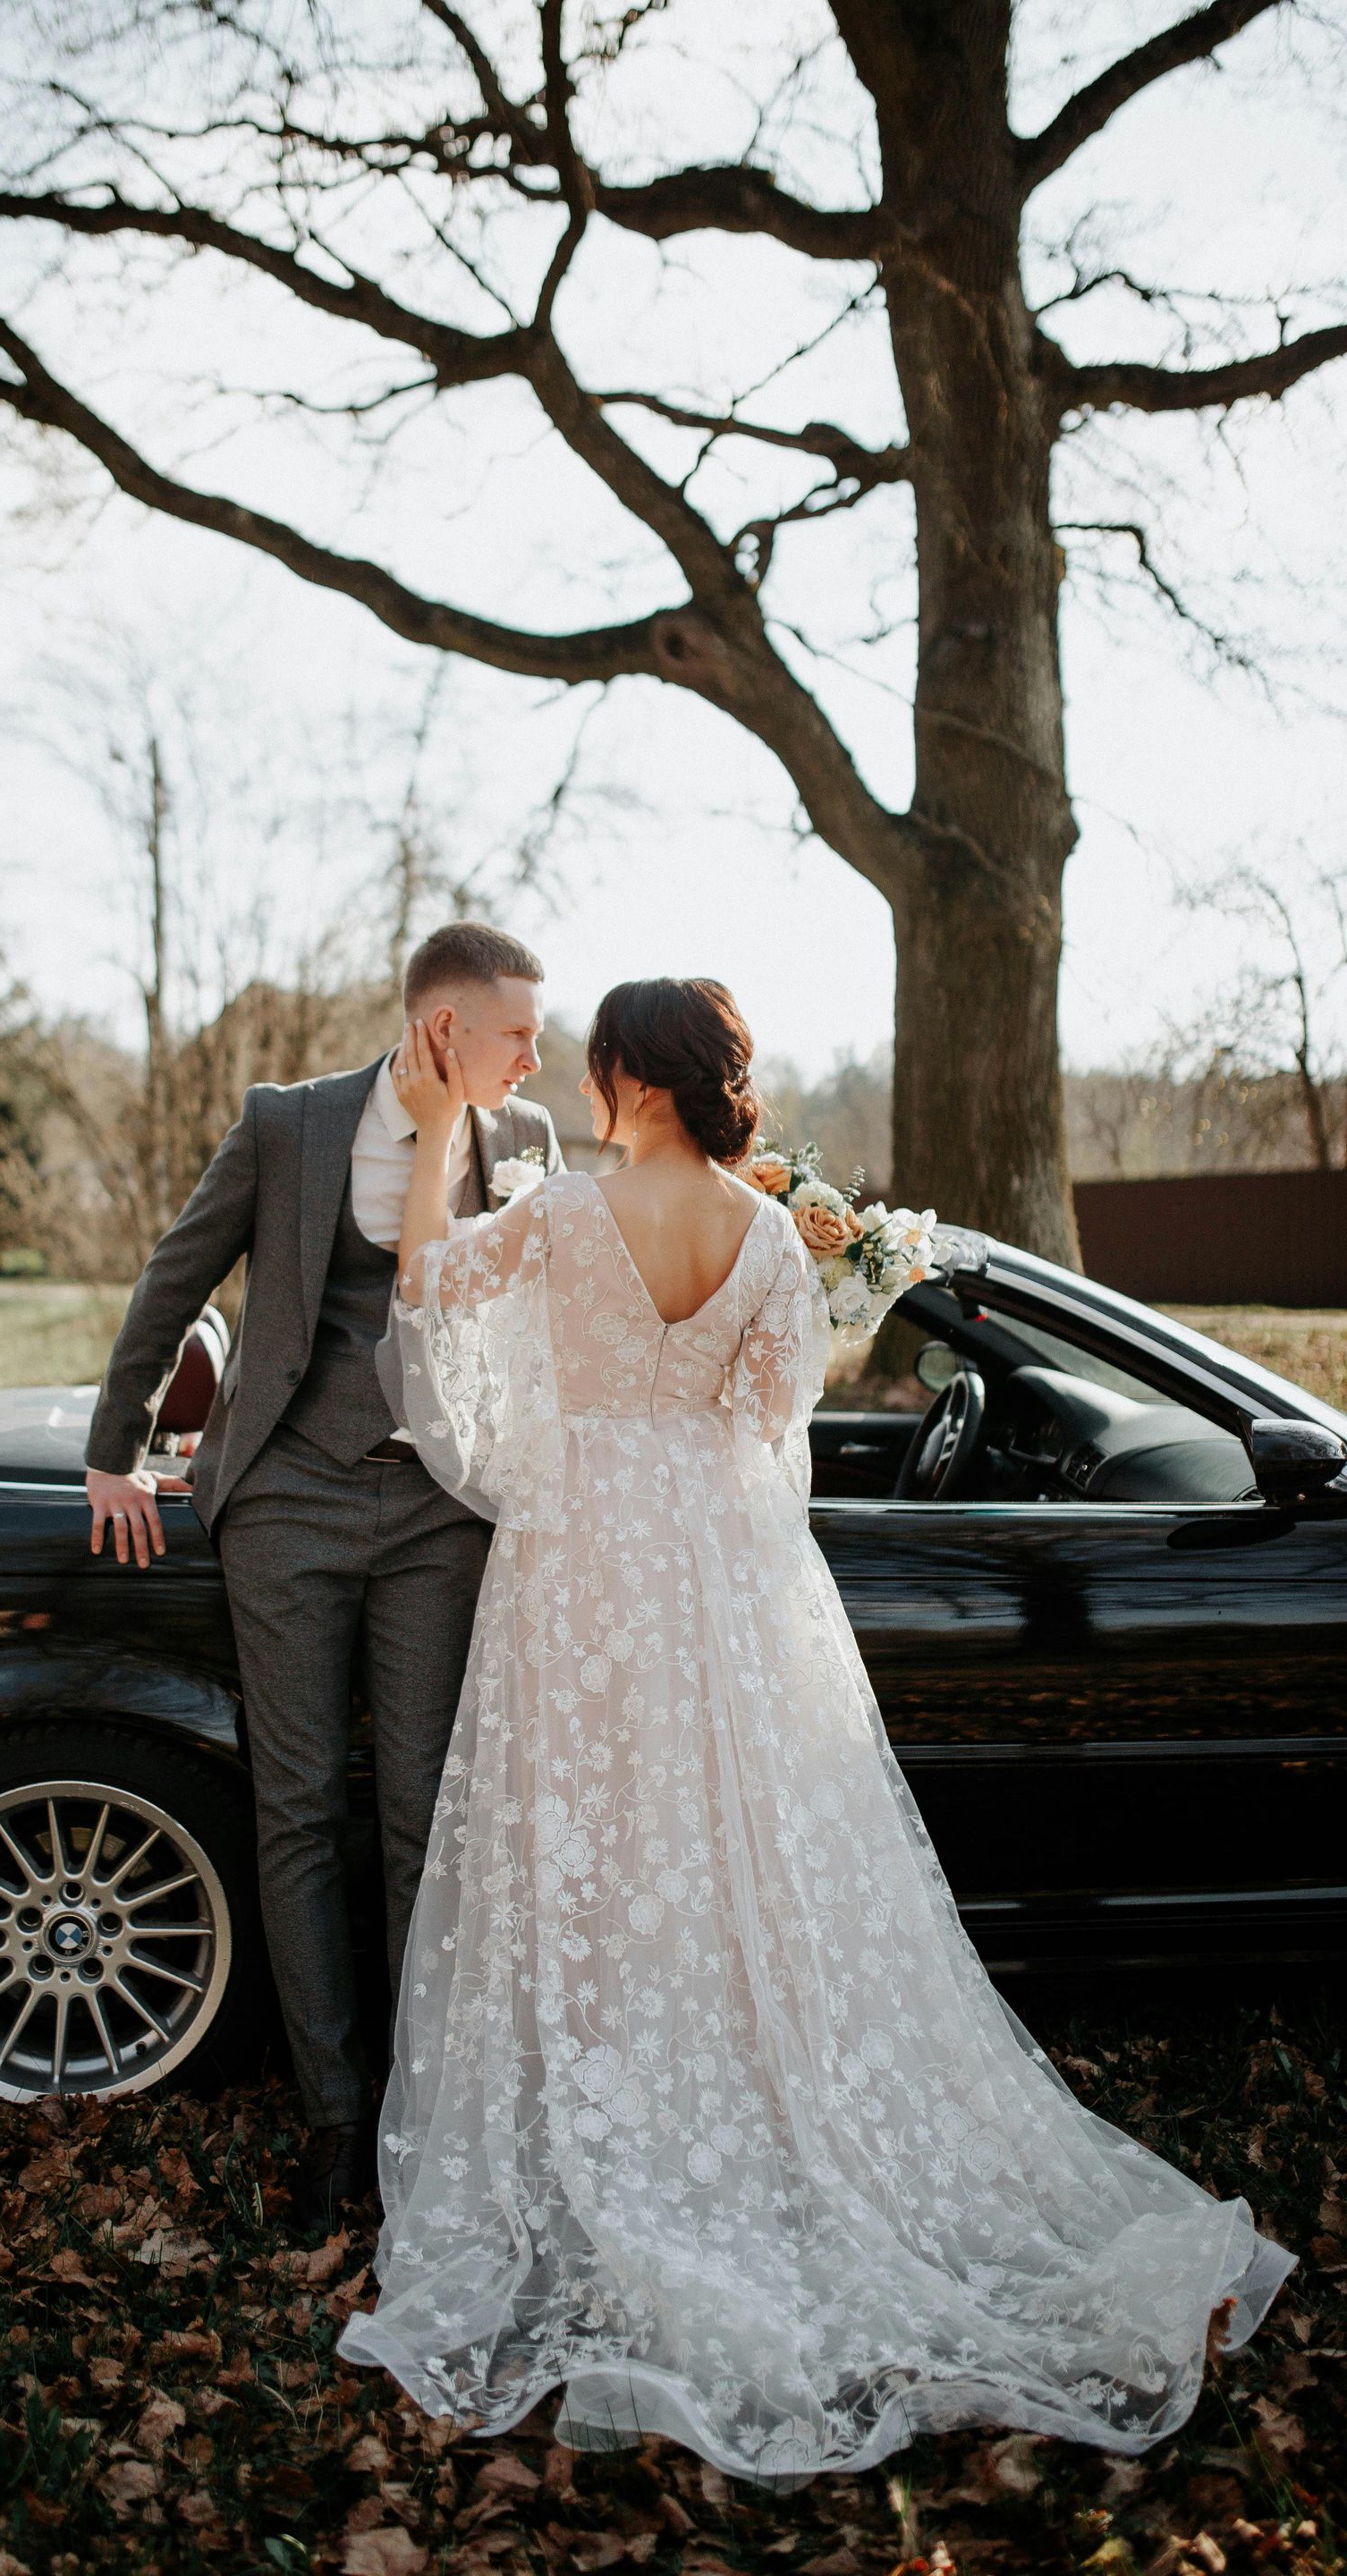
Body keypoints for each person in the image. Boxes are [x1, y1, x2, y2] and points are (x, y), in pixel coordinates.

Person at [338, 976, 1292, 2482]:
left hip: (581, 1567)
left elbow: (426, 1296)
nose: (585, 1086)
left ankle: (609, 2124)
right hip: (718, 1570)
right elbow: (772, 1426)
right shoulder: (775, 1235)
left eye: (597, 1068)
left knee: (589, 1837)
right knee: (734, 1847)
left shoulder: (561, 1216)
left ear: (633, 1083)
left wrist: (446, 1113)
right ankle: (748, 2100)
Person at [83, 922, 563, 2226]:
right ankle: (336, 2118)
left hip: (438, 1510)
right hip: (285, 1499)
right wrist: (113, 1452)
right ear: (446, 1029)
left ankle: (424, 2111)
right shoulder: (288, 1123)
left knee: (423, 1816)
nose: (538, 1054)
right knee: (296, 1807)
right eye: (518, 1031)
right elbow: (175, 1272)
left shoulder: (525, 1149)